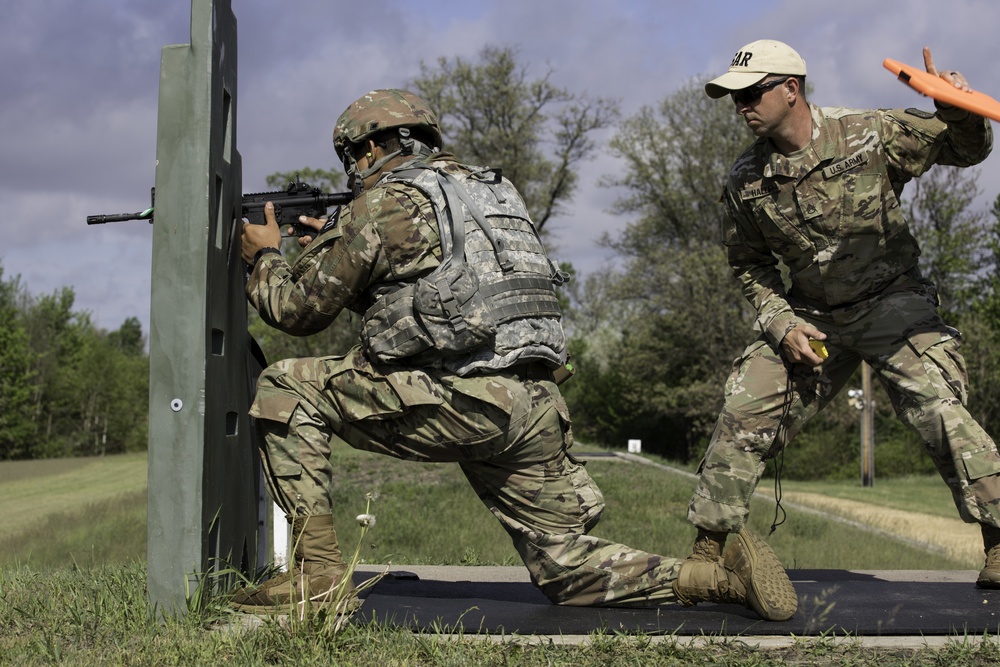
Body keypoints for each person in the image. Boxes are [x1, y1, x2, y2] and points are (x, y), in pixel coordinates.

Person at [233, 88, 797, 621]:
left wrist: (265, 257)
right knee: (566, 571)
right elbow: (432, 308)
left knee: (286, 385)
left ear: (375, 146)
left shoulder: (384, 204)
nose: (353, 168)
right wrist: (329, 255)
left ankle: (318, 576)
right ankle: (717, 580)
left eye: (353, 156)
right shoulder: (492, 194)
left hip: (464, 399)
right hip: (532, 404)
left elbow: (294, 312)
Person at [686, 39, 1000, 588]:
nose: (741, 105)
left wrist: (954, 104)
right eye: (733, 96)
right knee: (746, 411)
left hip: (891, 300)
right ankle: (707, 556)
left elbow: (964, 149)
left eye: (751, 92)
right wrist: (781, 323)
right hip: (811, 316)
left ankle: (999, 543)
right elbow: (749, 265)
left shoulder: (868, 131)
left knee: (939, 408)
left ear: (791, 89)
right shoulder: (746, 181)